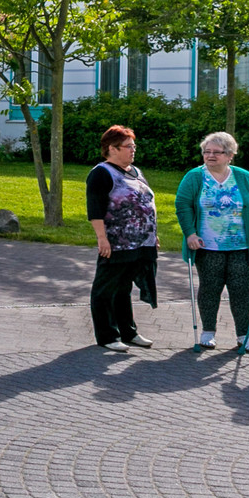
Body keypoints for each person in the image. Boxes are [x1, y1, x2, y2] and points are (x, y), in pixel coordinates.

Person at [174, 131, 249, 355]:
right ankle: (208, 332)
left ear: (230, 155)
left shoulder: (243, 177)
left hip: (240, 247)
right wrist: (190, 233)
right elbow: (183, 205)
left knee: (241, 291)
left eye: (216, 152)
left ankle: (244, 335)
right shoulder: (195, 177)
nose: (210, 156)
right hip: (207, 247)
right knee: (209, 289)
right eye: (206, 152)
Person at [88, 125, 159, 353]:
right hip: (117, 243)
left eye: (133, 146)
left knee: (123, 288)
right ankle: (107, 336)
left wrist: (152, 234)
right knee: (105, 289)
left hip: (140, 242)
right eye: (129, 146)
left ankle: (128, 332)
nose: (133, 150)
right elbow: (95, 209)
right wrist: (102, 239)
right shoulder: (101, 173)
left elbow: (144, 203)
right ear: (112, 148)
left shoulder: (135, 171)